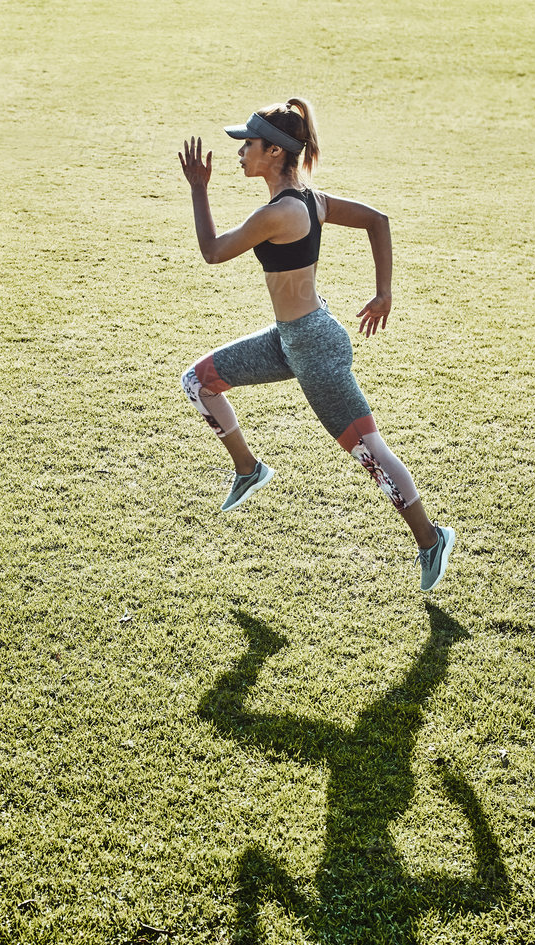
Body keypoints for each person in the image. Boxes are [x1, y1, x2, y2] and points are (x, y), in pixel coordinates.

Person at [178, 99, 455, 592]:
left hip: (315, 347)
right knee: (198, 382)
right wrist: (383, 291)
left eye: (248, 144)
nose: (241, 152)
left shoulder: (281, 212)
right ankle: (248, 468)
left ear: (275, 153)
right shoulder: (312, 200)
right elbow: (378, 220)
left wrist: (199, 190)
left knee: (369, 452)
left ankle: (432, 539)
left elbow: (212, 252)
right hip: (292, 339)